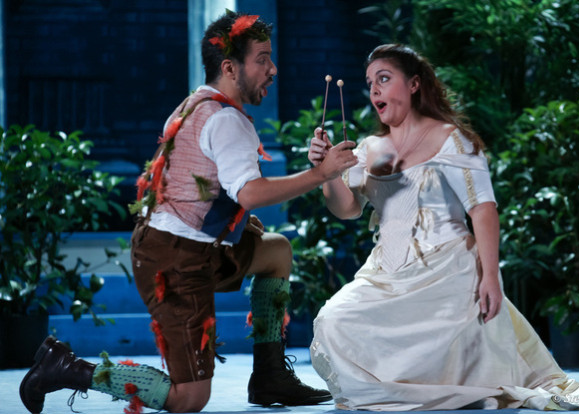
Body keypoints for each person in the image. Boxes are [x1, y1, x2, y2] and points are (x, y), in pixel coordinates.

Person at [19, 10, 357, 414]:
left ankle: (270, 376)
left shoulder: (195, 103)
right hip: (174, 261)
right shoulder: (226, 120)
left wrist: (240, 220)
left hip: (192, 247)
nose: (273, 69)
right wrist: (321, 173)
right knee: (190, 398)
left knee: (276, 250)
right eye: (263, 59)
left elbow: (203, 192)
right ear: (229, 68)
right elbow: (249, 193)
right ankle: (67, 368)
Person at [307, 43, 579, 411]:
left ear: (414, 84)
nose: (374, 88)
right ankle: (410, 394)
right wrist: (326, 173)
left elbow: (483, 209)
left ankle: (442, 390)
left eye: (385, 78)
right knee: (332, 321)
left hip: (449, 270)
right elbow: (347, 210)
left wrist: (491, 277)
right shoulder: (369, 147)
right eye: (370, 82)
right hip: (386, 273)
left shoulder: (451, 139)